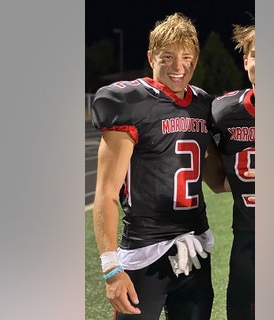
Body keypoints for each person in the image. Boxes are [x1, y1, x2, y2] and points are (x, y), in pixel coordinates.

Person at [91, 12, 221, 320]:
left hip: (195, 251)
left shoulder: (202, 104)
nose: (179, 67)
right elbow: (106, 191)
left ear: (196, 59)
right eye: (168, 57)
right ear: (151, 57)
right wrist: (111, 267)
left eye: (187, 57)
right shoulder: (130, 102)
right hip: (143, 254)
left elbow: (218, 180)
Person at [210, 22, 256, 320]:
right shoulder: (223, 112)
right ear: (246, 60)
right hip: (248, 240)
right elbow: (217, 182)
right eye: (257, 54)